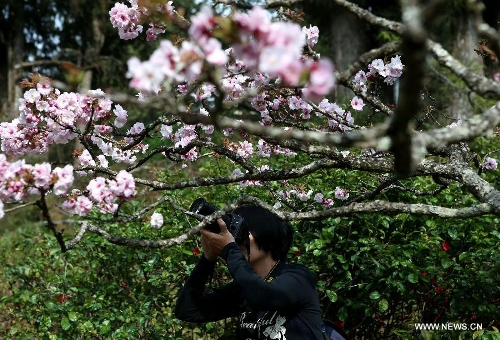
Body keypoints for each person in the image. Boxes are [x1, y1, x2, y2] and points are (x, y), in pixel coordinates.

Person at [175, 205, 324, 339]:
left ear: (266, 233)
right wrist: (208, 257)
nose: (236, 239)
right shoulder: (242, 290)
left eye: (243, 231)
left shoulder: (298, 277)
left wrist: (229, 249)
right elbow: (188, 310)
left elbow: (263, 295)